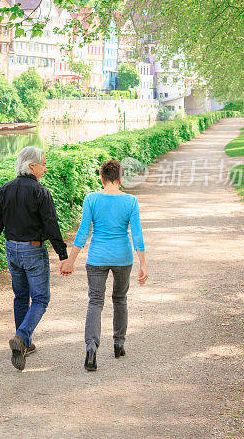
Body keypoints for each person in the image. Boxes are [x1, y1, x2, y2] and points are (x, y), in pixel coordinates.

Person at [0, 146, 69, 371]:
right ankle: (21, 337)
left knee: (21, 296)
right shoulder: (41, 192)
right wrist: (63, 255)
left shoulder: (5, 190)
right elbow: (51, 225)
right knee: (40, 299)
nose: (45, 168)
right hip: (33, 250)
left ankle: (23, 345)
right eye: (43, 164)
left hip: (12, 249)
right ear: (32, 166)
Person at [59, 159, 148, 372]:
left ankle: (91, 349)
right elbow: (136, 235)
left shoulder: (91, 199)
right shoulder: (131, 201)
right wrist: (143, 264)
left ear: (102, 178)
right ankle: (118, 344)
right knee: (120, 299)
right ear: (120, 179)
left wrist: (71, 260)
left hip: (97, 258)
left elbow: (82, 233)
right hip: (122, 258)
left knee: (95, 302)